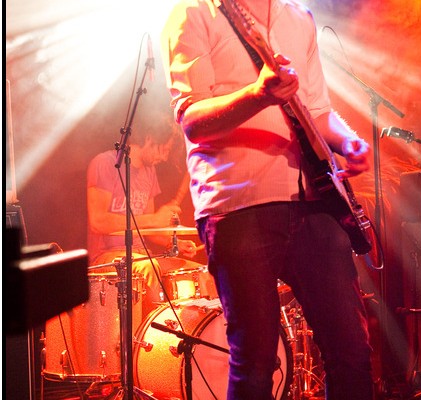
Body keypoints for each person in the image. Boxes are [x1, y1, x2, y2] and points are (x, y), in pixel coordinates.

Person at [160, 0, 373, 399]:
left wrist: (349, 141)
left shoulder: (299, 17)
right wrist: (259, 94)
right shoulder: (196, 12)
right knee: (256, 365)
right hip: (238, 205)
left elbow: (319, 109)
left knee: (352, 353)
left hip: (315, 201)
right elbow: (192, 119)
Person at [87, 120, 198, 316]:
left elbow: (147, 228)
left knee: (196, 272)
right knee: (148, 267)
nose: (164, 157)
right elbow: (98, 221)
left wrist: (174, 244)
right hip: (107, 257)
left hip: (141, 254)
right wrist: (155, 219)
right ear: (149, 138)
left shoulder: (149, 171)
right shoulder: (105, 163)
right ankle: (158, 338)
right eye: (163, 150)